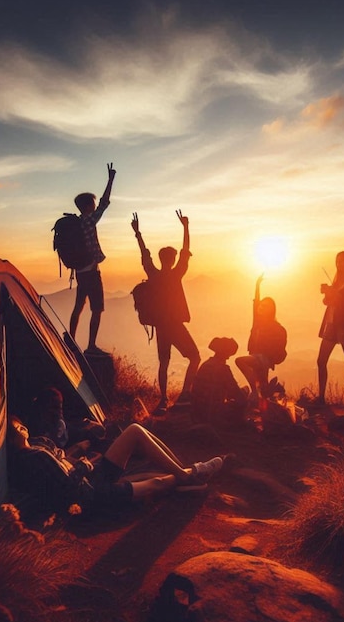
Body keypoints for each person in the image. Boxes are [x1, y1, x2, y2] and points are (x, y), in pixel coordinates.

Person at [7, 415, 225, 515]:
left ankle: (183, 473)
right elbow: (67, 485)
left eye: (20, 425)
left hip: (90, 478)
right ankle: (193, 472)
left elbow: (64, 458)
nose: (21, 429)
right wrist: (86, 464)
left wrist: (82, 459)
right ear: (9, 440)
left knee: (135, 430)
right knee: (156, 483)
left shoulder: (39, 443)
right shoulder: (31, 459)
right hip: (90, 496)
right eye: (15, 430)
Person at [131, 210, 201, 415]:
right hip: (176, 326)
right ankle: (185, 394)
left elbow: (145, 254)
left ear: (161, 259)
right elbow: (186, 250)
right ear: (172, 259)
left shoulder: (153, 274)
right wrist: (186, 227)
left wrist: (138, 233)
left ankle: (163, 400)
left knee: (164, 362)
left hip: (161, 327)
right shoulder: (177, 274)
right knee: (195, 357)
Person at [69, 162, 116, 356]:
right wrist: (110, 180)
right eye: (93, 204)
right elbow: (105, 203)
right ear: (88, 206)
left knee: (79, 306)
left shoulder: (78, 223)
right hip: (91, 272)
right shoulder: (88, 220)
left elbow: (102, 204)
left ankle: (71, 340)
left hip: (80, 272)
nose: (96, 206)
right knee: (97, 309)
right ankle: (91, 346)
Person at [315, 251, 344, 410]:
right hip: (331, 324)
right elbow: (328, 302)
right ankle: (321, 398)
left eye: (342, 261)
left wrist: (332, 292)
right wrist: (327, 292)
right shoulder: (337, 281)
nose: (339, 264)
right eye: (337, 261)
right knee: (321, 361)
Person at [235, 274, 287, 406]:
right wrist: (257, 286)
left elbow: (277, 345)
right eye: (261, 306)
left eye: (265, 307)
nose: (261, 307)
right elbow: (256, 302)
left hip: (263, 359)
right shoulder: (257, 321)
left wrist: (270, 357)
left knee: (240, 361)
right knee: (263, 387)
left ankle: (255, 391)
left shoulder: (274, 326)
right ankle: (264, 400)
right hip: (257, 356)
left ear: (271, 311)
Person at [192, 337, 248, 425]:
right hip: (212, 413)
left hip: (197, 412)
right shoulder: (223, 369)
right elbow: (236, 394)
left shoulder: (205, 365)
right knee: (244, 396)